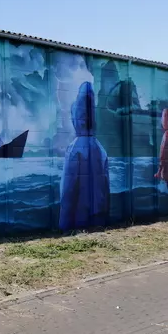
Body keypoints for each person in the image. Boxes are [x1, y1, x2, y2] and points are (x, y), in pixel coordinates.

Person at [59, 81, 110, 231]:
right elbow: (106, 192)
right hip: (99, 218)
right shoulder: (100, 149)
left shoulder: (75, 149)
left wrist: (63, 227)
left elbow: (67, 195)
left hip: (79, 222)